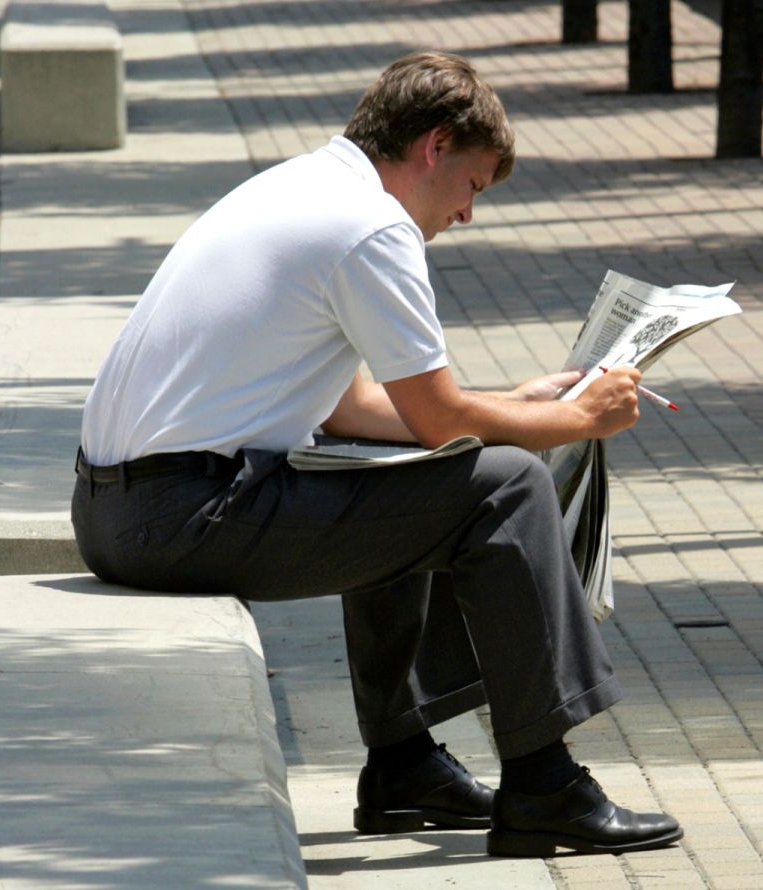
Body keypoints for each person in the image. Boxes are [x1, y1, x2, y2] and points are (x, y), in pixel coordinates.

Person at [71, 50, 682, 858]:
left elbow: (354, 409)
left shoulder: (301, 186)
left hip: (117, 511)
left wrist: (519, 406)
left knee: (400, 472)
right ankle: (544, 785)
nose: (467, 213)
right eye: (472, 184)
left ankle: (403, 765)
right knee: (505, 486)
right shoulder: (373, 226)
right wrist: (576, 420)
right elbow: (439, 419)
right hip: (181, 516)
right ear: (435, 145)